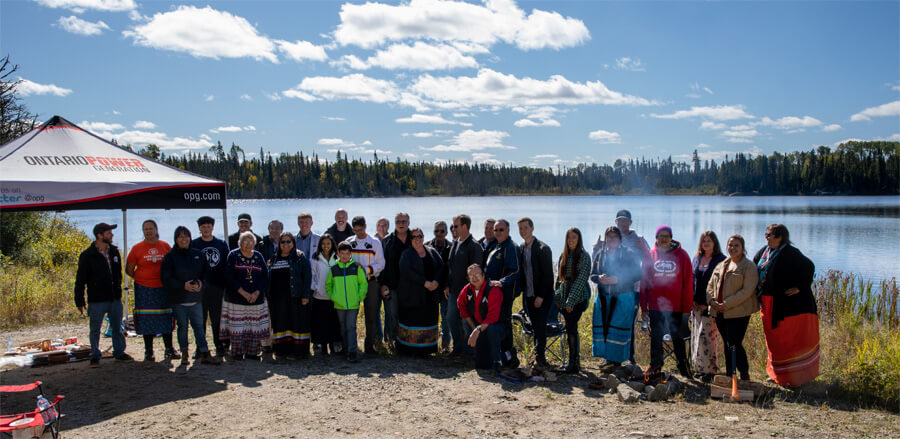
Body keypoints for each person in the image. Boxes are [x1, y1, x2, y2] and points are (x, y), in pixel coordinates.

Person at [753, 224, 819, 387]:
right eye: (766, 234)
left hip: (787, 306)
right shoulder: (764, 252)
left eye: (769, 235)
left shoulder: (790, 252)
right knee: (773, 340)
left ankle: (794, 377)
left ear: (780, 237)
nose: (766, 237)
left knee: (787, 341)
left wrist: (800, 287)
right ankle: (775, 373)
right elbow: (753, 268)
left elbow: (809, 267)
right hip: (767, 303)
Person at [74, 223, 133, 366]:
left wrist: (118, 290)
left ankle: (119, 352)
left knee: (118, 327)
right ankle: (94, 354)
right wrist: (79, 300)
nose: (112, 235)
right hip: (97, 299)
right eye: (109, 233)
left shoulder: (114, 251)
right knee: (95, 328)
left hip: (114, 297)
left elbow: (118, 273)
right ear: (99, 235)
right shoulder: (88, 255)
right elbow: (80, 280)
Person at [160, 226, 219, 365]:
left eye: (186, 236)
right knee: (182, 326)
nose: (184, 239)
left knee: (198, 326)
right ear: (176, 239)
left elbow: (206, 273)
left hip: (196, 298)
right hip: (178, 299)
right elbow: (166, 278)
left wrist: (200, 283)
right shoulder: (170, 257)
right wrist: (182, 285)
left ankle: (204, 352)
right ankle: (185, 353)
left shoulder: (197, 254)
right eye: (180, 236)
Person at [640, 225, 693, 378]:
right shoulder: (649, 256)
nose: (663, 239)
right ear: (656, 238)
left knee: (678, 338)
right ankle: (656, 366)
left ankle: (683, 367)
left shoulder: (682, 256)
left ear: (671, 238)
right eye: (660, 236)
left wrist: (686, 308)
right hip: (656, 307)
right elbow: (644, 284)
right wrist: (644, 308)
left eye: (666, 236)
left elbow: (688, 283)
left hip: (676, 307)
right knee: (656, 338)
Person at [707, 235, 758, 383]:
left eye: (736, 245)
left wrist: (726, 304)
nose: (733, 248)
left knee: (734, 343)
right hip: (719, 311)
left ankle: (744, 374)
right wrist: (711, 301)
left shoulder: (748, 266)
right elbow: (710, 285)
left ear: (743, 248)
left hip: (738, 312)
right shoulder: (722, 264)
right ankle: (730, 373)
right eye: (730, 245)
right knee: (727, 342)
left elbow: (747, 291)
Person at [590, 226, 642, 371]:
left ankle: (623, 361)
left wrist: (619, 279)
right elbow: (592, 275)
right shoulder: (601, 255)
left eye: (614, 237)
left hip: (623, 296)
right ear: (606, 239)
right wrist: (599, 278)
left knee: (621, 328)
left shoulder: (628, 254)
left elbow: (638, 274)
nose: (611, 240)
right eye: (609, 237)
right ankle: (609, 359)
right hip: (604, 297)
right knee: (606, 328)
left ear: (619, 239)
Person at [126, 219, 176, 361]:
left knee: (166, 317)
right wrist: (142, 278)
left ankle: (169, 349)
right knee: (146, 319)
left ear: (156, 229)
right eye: (145, 229)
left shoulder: (165, 246)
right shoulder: (137, 248)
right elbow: (129, 269)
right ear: (143, 231)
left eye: (151, 228)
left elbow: (172, 265)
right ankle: (149, 351)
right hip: (144, 289)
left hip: (163, 288)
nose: (148, 231)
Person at [221, 232, 271, 361]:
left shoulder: (258, 256)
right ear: (239, 243)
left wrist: (256, 292)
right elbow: (229, 276)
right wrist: (243, 292)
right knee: (238, 326)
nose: (248, 244)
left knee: (254, 326)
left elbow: (265, 276)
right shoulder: (233, 255)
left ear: (254, 243)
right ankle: (237, 352)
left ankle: (252, 352)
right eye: (245, 241)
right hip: (237, 298)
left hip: (256, 298)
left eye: (250, 242)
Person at [395, 228, 444, 355]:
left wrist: (436, 282)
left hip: (430, 295)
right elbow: (406, 271)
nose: (417, 239)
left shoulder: (432, 251)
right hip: (411, 296)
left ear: (423, 237)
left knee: (428, 320)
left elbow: (441, 267)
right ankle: (409, 349)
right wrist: (424, 282)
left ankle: (427, 349)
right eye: (414, 237)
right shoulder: (407, 254)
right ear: (410, 240)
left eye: (419, 236)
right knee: (413, 321)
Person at [266, 232, 313, 360]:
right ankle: (282, 351)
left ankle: (299, 352)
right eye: (283, 242)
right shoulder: (274, 258)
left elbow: (307, 277)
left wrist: (305, 295)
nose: (285, 244)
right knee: (281, 324)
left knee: (297, 324)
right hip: (278, 298)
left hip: (296, 297)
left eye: (288, 241)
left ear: (293, 243)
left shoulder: (299, 257)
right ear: (279, 244)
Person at [445, 214, 484, 356]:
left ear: (465, 226)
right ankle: (457, 348)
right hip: (454, 291)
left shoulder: (474, 246)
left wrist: (470, 291)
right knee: (450, 318)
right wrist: (447, 285)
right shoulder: (455, 243)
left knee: (467, 322)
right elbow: (451, 267)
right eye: (453, 226)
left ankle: (470, 352)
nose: (453, 229)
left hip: (468, 293)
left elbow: (476, 272)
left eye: (456, 226)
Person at [517, 217, 554, 367]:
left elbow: (548, 276)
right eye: (520, 229)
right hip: (528, 295)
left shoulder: (543, 248)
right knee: (534, 326)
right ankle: (537, 355)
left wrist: (541, 296)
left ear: (532, 228)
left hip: (541, 296)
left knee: (540, 326)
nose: (523, 231)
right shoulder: (521, 248)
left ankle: (541, 357)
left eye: (525, 228)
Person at [554, 227, 591, 374]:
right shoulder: (563, 255)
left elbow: (581, 280)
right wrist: (557, 296)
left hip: (578, 297)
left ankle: (573, 362)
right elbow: (559, 278)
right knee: (569, 327)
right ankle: (574, 362)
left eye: (574, 238)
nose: (571, 240)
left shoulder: (584, 256)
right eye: (569, 238)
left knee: (571, 328)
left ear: (579, 239)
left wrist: (571, 302)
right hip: (565, 296)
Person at [191, 216, 230, 357]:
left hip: (217, 287)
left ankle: (219, 345)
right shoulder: (194, 244)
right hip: (199, 288)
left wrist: (226, 285)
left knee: (216, 319)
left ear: (212, 227)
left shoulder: (221, 244)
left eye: (208, 226)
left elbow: (227, 265)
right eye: (203, 227)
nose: (206, 229)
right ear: (199, 228)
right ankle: (200, 347)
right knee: (199, 319)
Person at [346, 216, 385, 355]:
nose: (359, 233)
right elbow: (343, 259)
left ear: (365, 226)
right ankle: (351, 346)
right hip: (353, 284)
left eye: (361, 229)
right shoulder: (349, 242)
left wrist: (365, 269)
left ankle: (370, 346)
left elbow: (381, 263)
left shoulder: (374, 242)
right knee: (351, 314)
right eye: (356, 230)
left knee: (371, 315)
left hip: (370, 282)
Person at [691, 231, 726, 381]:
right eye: (704, 241)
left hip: (709, 306)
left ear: (715, 243)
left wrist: (708, 303)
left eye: (709, 241)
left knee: (708, 338)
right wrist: (691, 300)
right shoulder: (697, 258)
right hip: (695, 304)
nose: (706, 243)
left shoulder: (721, 260)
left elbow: (721, 285)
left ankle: (710, 371)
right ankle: (699, 368)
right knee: (696, 338)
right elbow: (691, 280)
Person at [484, 219, 520, 367]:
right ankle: (498, 355)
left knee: (504, 324)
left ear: (508, 231)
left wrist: (502, 282)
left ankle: (509, 356)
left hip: (504, 293)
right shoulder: (497, 246)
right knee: (495, 322)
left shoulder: (511, 247)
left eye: (501, 230)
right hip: (493, 293)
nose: (498, 232)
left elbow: (516, 271)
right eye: (496, 230)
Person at [326, 241, 368, 362]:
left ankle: (352, 351)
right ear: (338, 253)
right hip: (339, 304)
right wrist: (333, 297)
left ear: (351, 253)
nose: (344, 255)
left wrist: (359, 297)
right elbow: (328, 285)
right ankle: (345, 349)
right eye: (342, 253)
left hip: (353, 304)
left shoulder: (356, 267)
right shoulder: (334, 269)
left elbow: (363, 284)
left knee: (350, 326)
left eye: (347, 253)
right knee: (343, 327)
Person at [457, 264, 504, 371]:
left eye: (477, 274)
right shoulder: (467, 289)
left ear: (483, 275)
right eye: (471, 275)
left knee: (492, 329)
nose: (474, 277)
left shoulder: (493, 290)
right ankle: (501, 356)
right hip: (480, 327)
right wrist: (475, 328)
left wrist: (477, 330)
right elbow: (462, 308)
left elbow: (493, 317)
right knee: (482, 366)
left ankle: (501, 359)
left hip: (498, 326)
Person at [378, 212, 410, 347]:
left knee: (408, 314)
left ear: (408, 223)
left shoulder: (414, 239)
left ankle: (407, 342)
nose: (401, 225)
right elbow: (382, 264)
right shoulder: (387, 241)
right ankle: (392, 342)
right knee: (392, 314)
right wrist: (383, 284)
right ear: (395, 223)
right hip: (392, 284)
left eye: (403, 222)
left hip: (410, 286)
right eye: (398, 222)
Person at [310, 234, 341, 355]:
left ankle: (334, 345)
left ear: (332, 244)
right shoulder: (316, 257)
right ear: (320, 245)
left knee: (333, 322)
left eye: (328, 243)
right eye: (323, 244)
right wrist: (315, 288)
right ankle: (323, 346)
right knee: (321, 322)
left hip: (334, 296)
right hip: (319, 296)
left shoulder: (337, 257)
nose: (326, 246)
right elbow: (312, 275)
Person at [427, 221, 453, 353]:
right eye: (436, 231)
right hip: (431, 288)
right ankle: (431, 345)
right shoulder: (427, 246)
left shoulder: (452, 247)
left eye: (442, 231)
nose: (439, 234)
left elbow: (451, 269)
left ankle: (446, 345)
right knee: (431, 317)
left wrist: (447, 285)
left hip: (445, 288)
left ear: (446, 233)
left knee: (446, 317)